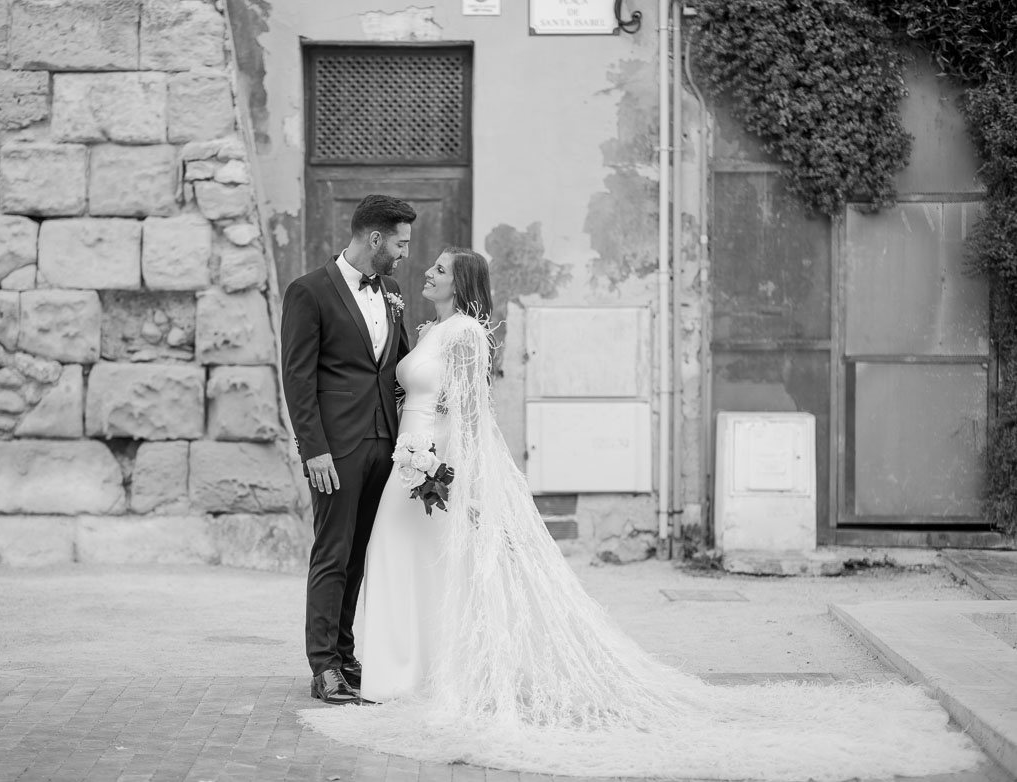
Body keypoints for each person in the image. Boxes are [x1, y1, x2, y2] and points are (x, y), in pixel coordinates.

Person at [299, 247, 982, 780]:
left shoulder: (465, 337)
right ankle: (397, 668)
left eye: (442, 267)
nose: (428, 270)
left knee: (427, 564)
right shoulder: (423, 325)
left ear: (463, 282)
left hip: (434, 464)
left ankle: (420, 673)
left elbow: (476, 416)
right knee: (399, 560)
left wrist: (453, 469)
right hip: (406, 459)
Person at [280, 194, 416, 705]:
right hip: (334, 450)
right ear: (374, 238)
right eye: (400, 244)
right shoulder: (308, 291)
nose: (405, 254)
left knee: (360, 554)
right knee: (332, 553)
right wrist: (313, 449)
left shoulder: (394, 291)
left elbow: (397, 368)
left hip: (385, 443)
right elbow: (298, 378)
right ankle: (324, 668)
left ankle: (346, 653)